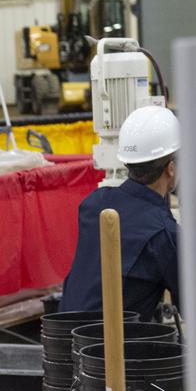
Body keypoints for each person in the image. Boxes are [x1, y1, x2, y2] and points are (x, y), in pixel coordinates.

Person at [59, 104, 181, 320]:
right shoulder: (164, 233)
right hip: (117, 350)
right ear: (170, 168)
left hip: (63, 341)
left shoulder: (93, 205)